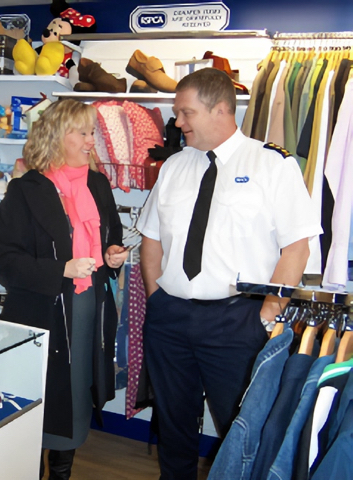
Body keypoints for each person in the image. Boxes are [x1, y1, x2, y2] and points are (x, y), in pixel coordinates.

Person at [137, 68, 322, 479]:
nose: (177, 123)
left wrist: (269, 312)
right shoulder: (174, 167)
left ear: (220, 109)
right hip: (170, 317)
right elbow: (151, 239)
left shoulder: (271, 164)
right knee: (173, 425)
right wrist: (156, 298)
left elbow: (297, 246)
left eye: (186, 113)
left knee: (240, 426)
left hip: (237, 319)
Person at [0, 98, 128, 480]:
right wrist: (60, 270)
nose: (90, 141)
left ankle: (63, 474)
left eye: (92, 133)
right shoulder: (25, 191)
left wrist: (112, 255)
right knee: (42, 403)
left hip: (87, 315)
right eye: (82, 132)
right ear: (56, 136)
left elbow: (109, 238)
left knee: (75, 399)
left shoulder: (97, 185)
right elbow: (5, 262)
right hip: (43, 317)